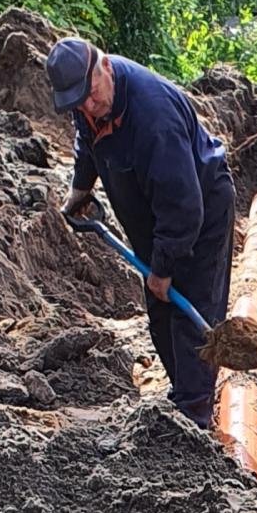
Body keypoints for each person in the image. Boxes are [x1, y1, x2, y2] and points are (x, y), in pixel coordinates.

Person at [47, 37, 236, 428]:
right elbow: (87, 145)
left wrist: (164, 269)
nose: (86, 107)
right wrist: (79, 193)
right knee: (161, 316)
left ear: (106, 67)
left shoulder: (154, 118)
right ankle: (186, 399)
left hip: (198, 214)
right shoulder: (89, 100)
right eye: (77, 103)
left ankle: (194, 417)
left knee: (192, 316)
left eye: (90, 95)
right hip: (156, 220)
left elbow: (184, 209)